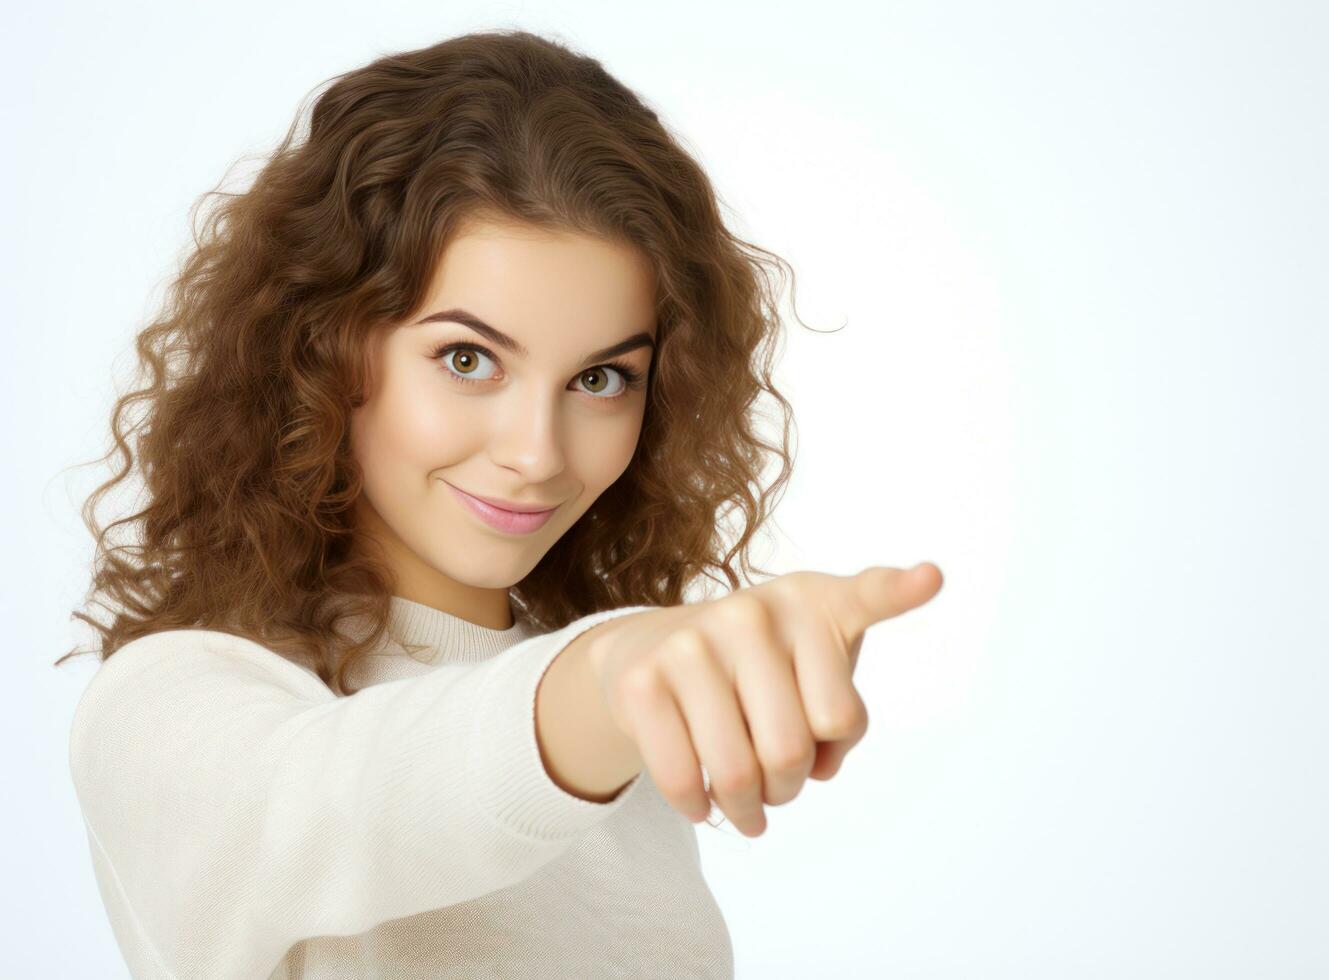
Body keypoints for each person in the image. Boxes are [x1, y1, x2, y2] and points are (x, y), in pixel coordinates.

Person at [59, 27, 813, 980]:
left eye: (601, 379)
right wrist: (606, 676)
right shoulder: (173, 704)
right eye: (467, 359)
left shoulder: (616, 738)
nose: (535, 453)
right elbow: (348, 804)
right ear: (325, 348)